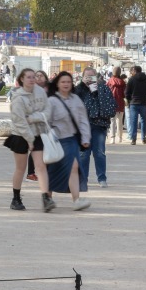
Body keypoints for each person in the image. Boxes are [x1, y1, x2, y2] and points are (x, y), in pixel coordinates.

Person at [4, 68, 54, 211]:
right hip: (20, 135)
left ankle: (46, 198)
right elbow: (19, 121)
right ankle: (16, 198)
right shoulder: (18, 97)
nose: (32, 79)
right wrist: (29, 139)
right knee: (21, 168)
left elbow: (47, 110)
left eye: (34, 77)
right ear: (21, 80)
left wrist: (33, 118)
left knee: (41, 166)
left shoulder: (40, 92)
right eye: (29, 77)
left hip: (38, 132)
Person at [44, 71, 92, 210]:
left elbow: (83, 120)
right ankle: (48, 199)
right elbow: (46, 121)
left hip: (71, 140)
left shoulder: (76, 100)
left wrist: (85, 138)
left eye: (68, 82)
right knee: (52, 171)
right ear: (57, 84)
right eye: (63, 82)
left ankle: (76, 200)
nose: (66, 84)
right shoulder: (52, 101)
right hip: (56, 141)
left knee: (74, 167)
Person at [77, 66, 116, 189]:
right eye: (86, 77)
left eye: (91, 76)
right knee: (83, 154)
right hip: (83, 126)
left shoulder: (103, 89)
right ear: (82, 77)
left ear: (96, 77)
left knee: (99, 153)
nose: (89, 79)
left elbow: (111, 107)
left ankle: (102, 178)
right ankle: (83, 179)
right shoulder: (79, 90)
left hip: (99, 125)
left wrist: (97, 93)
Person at [123, 65, 146, 144]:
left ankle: (133, 139)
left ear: (135, 71)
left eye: (132, 71)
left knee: (133, 121)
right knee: (143, 121)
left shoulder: (132, 79)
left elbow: (126, 92)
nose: (131, 72)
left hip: (134, 102)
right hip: (143, 102)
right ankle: (143, 138)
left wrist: (129, 98)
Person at [106, 67, 127, 142]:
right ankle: (120, 137)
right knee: (120, 121)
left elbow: (106, 92)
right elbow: (125, 94)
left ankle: (112, 138)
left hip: (112, 103)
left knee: (112, 121)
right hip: (120, 103)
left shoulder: (110, 81)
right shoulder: (122, 82)